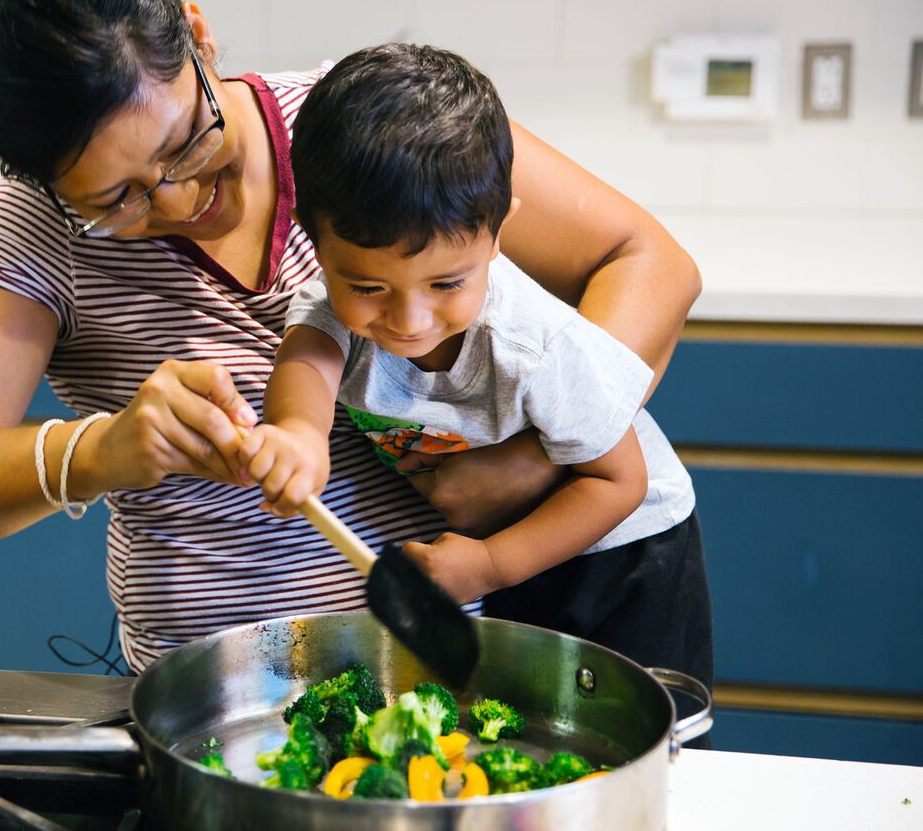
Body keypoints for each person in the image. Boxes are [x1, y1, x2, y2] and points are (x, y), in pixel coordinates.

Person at [0, 0, 701, 672]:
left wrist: (538, 463)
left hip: (440, 662)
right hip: (217, 689)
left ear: (198, 39)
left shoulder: (358, 128)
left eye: (186, 143)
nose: (178, 200)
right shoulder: (36, 234)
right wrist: (97, 452)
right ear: (42, 185)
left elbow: (648, 261)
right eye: (117, 199)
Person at [241, 43, 712, 686]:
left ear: (497, 232)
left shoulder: (536, 344)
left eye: (445, 284)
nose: (407, 321)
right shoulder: (329, 309)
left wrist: (489, 565)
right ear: (312, 237)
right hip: (511, 554)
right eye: (370, 288)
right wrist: (295, 434)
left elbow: (616, 483)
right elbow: (306, 365)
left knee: (650, 745)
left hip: (625, 552)